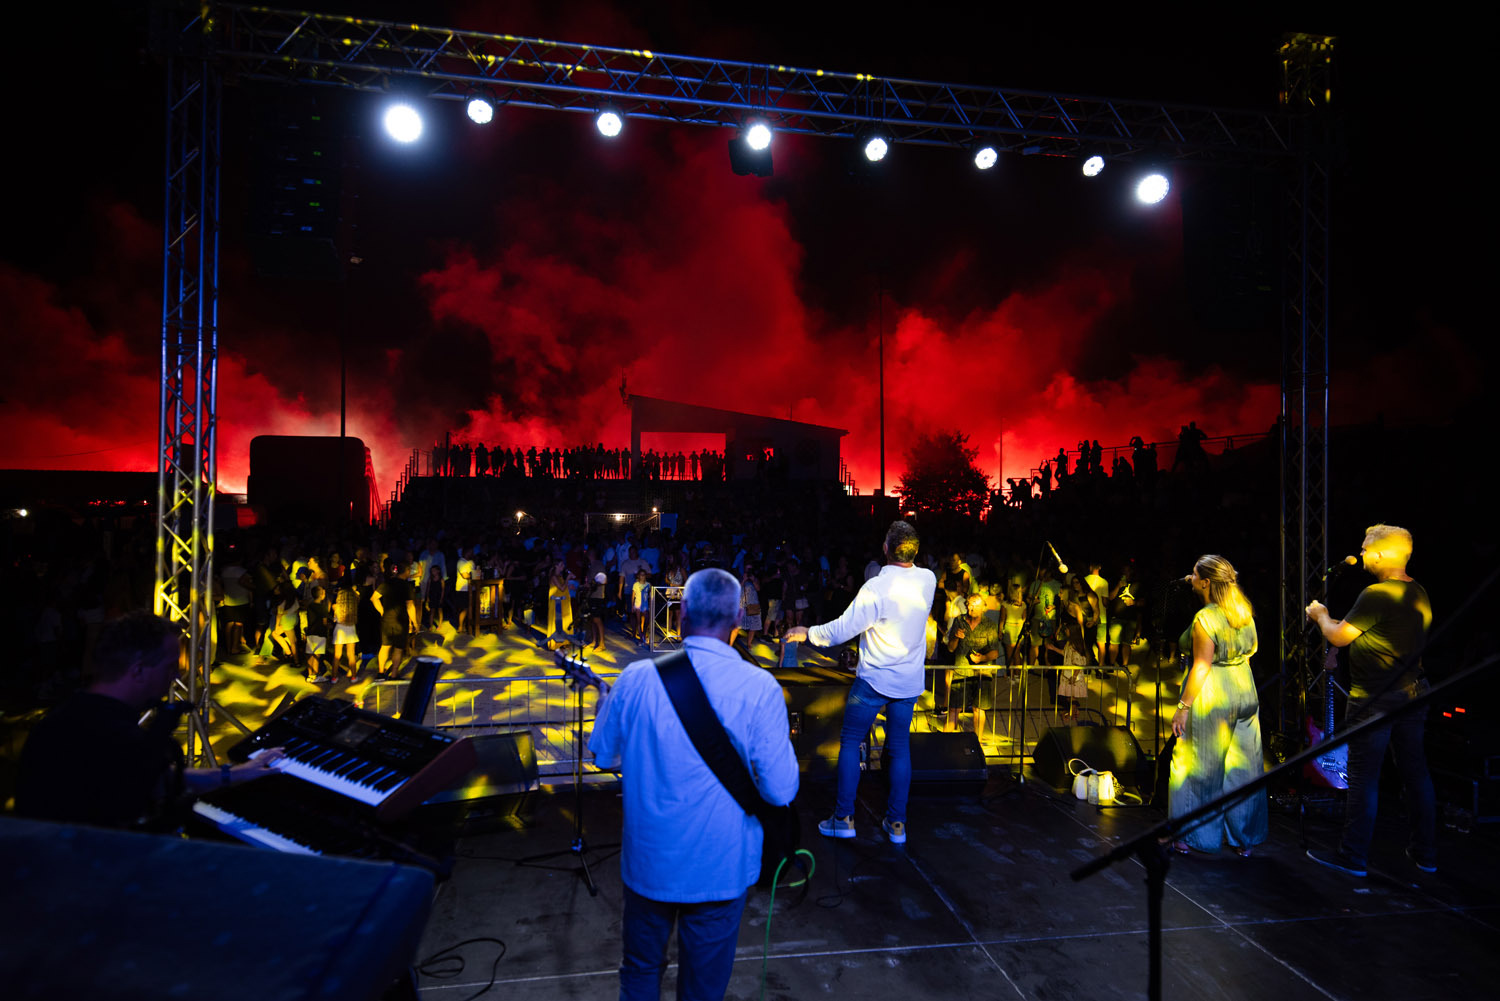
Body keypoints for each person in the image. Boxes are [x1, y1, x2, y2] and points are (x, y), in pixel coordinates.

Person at [589, 569, 798, 1001]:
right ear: (738, 617)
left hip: (650, 864)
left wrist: (603, 706)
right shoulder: (760, 688)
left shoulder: (636, 678)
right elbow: (781, 791)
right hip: (719, 869)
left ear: (682, 611)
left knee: (640, 972)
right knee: (703, 988)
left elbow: (603, 756)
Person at [15, 610, 285, 829]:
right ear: (139, 671)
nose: (176, 676)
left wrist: (237, 773)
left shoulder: (76, 716)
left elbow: (159, 776)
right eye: (170, 666)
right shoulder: (107, 736)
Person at [784, 520, 936, 845]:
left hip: (874, 681)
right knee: (899, 749)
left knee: (851, 742)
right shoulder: (928, 580)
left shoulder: (875, 588)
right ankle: (897, 824)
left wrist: (807, 632)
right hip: (908, 682)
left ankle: (843, 819)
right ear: (915, 551)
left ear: (885, 548)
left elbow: (842, 630)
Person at [1305, 524, 1436, 876]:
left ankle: (1353, 856)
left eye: (1365, 548)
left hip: (1376, 700)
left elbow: (1339, 635)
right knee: (1415, 773)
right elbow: (1377, 631)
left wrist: (1319, 615)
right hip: (1412, 693)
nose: (1361, 553)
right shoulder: (1417, 590)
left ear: (1379, 554)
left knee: (1363, 777)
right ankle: (1426, 854)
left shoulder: (1377, 594)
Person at [1166, 555, 1267, 856]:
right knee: (1243, 767)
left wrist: (1183, 707)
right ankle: (1243, 839)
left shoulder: (1206, 618)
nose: (1191, 578)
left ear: (1206, 582)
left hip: (1214, 694)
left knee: (1196, 763)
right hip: (1244, 688)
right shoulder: (1243, 611)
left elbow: (1202, 666)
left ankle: (1189, 836)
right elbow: (1249, 653)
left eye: (1195, 574)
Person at [944, 592, 1003, 743]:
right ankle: (944, 743)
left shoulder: (990, 625)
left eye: (976, 605)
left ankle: (977, 743)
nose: (972, 608)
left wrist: (982, 658)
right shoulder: (959, 621)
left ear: (983, 608)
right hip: (961, 671)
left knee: (979, 709)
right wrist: (956, 637)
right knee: (954, 709)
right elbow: (950, 648)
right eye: (970, 604)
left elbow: (995, 653)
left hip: (982, 673)